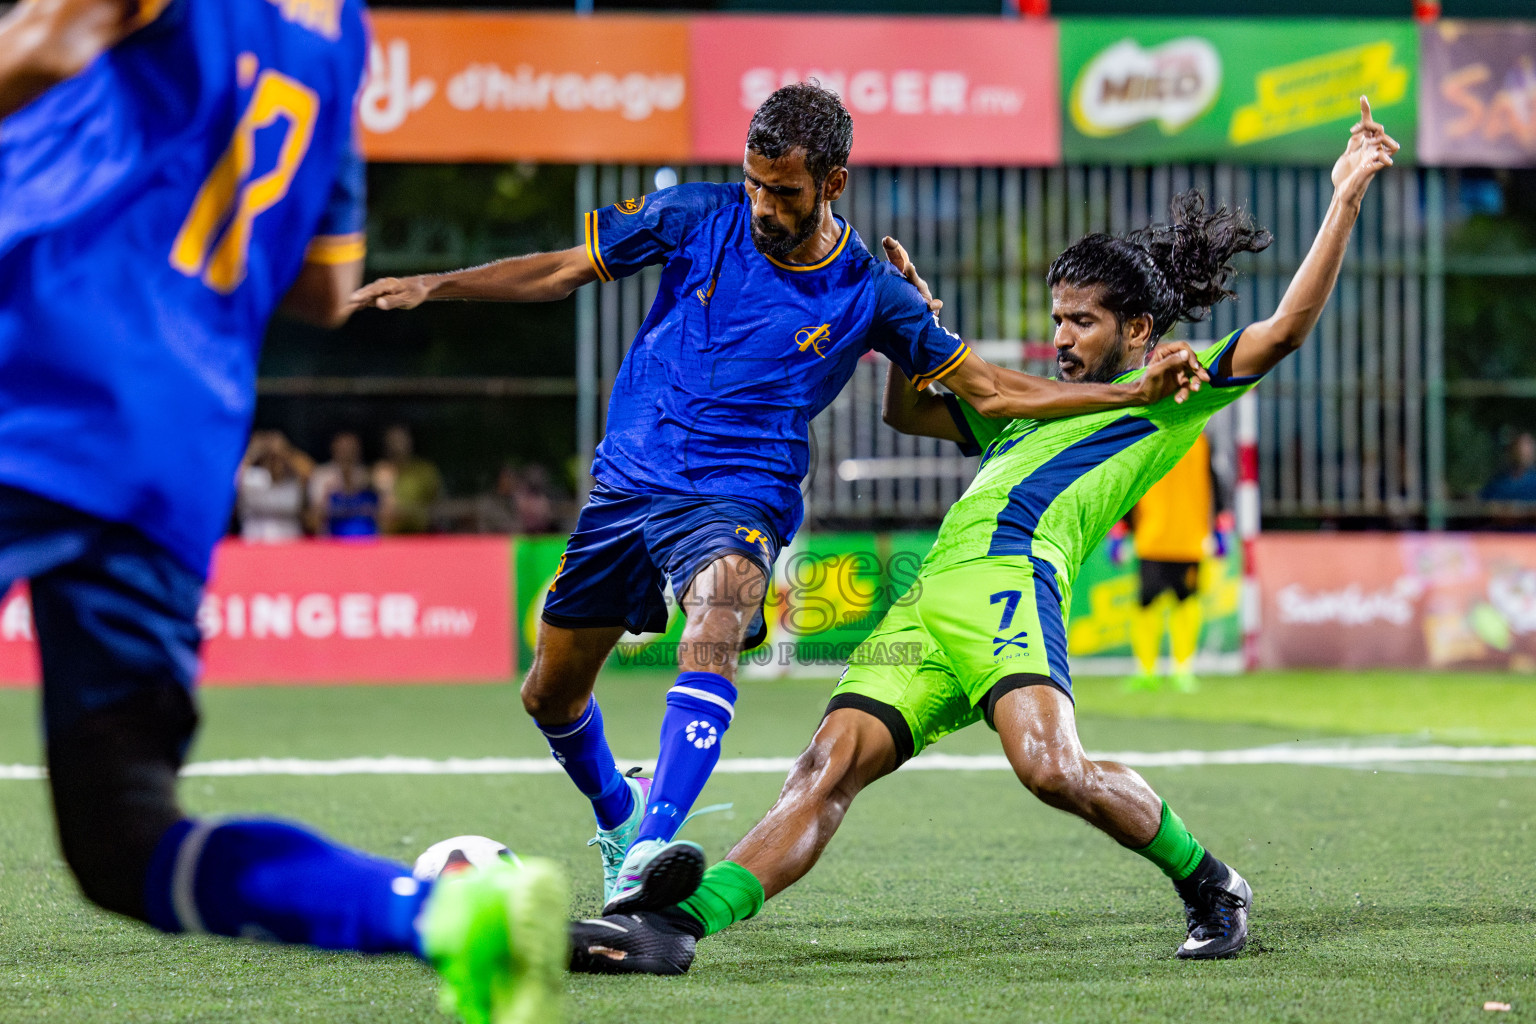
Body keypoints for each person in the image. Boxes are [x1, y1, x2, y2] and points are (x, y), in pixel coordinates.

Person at [567, 98, 1399, 974]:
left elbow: (1286, 331)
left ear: (1140, 331)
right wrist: (909, 324)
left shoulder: (1169, 394)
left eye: (1082, 322)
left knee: (1050, 770)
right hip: (929, 606)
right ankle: (671, 927)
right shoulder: (1033, 408)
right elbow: (911, 412)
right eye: (1057, 318)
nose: (1060, 338)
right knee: (825, 767)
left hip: (1011, 587)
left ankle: (1211, 881)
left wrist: (1342, 197)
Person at [352, 81, 1210, 915]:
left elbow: (983, 391)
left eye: (784, 189)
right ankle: (620, 815)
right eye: (756, 182)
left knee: (718, 613)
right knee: (549, 693)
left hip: (742, 492)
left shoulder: (873, 290)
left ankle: (650, 849)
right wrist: (436, 285)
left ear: (832, 183)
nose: (763, 202)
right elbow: (563, 272)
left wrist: (1126, 396)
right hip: (629, 481)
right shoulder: (697, 214)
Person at [0, 3, 561, 1022]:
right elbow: (326, 279)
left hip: (33, 361)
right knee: (125, 835)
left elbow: (45, 44)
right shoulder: (339, 31)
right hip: (176, 435)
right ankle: (444, 916)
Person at [1115, 430, 1230, 692]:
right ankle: (1146, 670)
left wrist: (1222, 523)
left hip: (1189, 540)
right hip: (1152, 540)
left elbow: (1216, 483)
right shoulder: (1145, 438)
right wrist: (1122, 527)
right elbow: (1132, 483)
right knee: (1146, 603)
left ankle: (1183, 669)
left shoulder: (1202, 440)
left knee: (1186, 603)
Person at [237, 431, 313, 543]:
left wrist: (284, 452)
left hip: (289, 543)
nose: (276, 463)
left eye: (279, 459)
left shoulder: (293, 481)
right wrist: (256, 450)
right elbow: (233, 476)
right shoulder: (252, 477)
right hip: (254, 543)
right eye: (271, 458)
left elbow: (310, 472)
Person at [308, 431, 381, 538]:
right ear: (334, 450)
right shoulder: (322, 475)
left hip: (366, 538)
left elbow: (385, 512)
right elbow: (314, 517)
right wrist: (332, 490)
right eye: (343, 449)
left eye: (351, 450)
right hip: (332, 538)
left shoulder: (369, 476)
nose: (347, 454)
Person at [374, 423, 442, 534]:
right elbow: (385, 507)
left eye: (400, 440)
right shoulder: (380, 471)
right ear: (386, 445)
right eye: (392, 441)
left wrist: (409, 512)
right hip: (390, 537)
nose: (397, 446)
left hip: (422, 534)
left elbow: (437, 504)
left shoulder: (425, 470)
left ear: (410, 441)